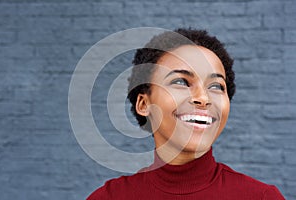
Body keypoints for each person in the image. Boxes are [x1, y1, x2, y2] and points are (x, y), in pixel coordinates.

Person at [87, 28, 285, 199]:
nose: (203, 98)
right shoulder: (109, 197)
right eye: (181, 82)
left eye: (216, 86)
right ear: (144, 103)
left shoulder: (261, 197)